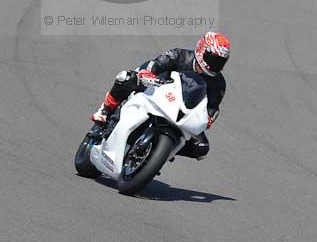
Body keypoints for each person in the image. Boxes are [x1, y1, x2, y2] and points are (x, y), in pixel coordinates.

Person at [90, 31, 230, 160]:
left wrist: (209, 119)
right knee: (127, 78)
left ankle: (162, 151)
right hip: (156, 91)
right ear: (201, 49)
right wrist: (148, 74)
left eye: (220, 62)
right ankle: (105, 111)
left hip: (181, 111)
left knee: (201, 148)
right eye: (212, 59)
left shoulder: (219, 83)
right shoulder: (179, 55)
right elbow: (154, 64)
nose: (214, 65)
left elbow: (213, 107)